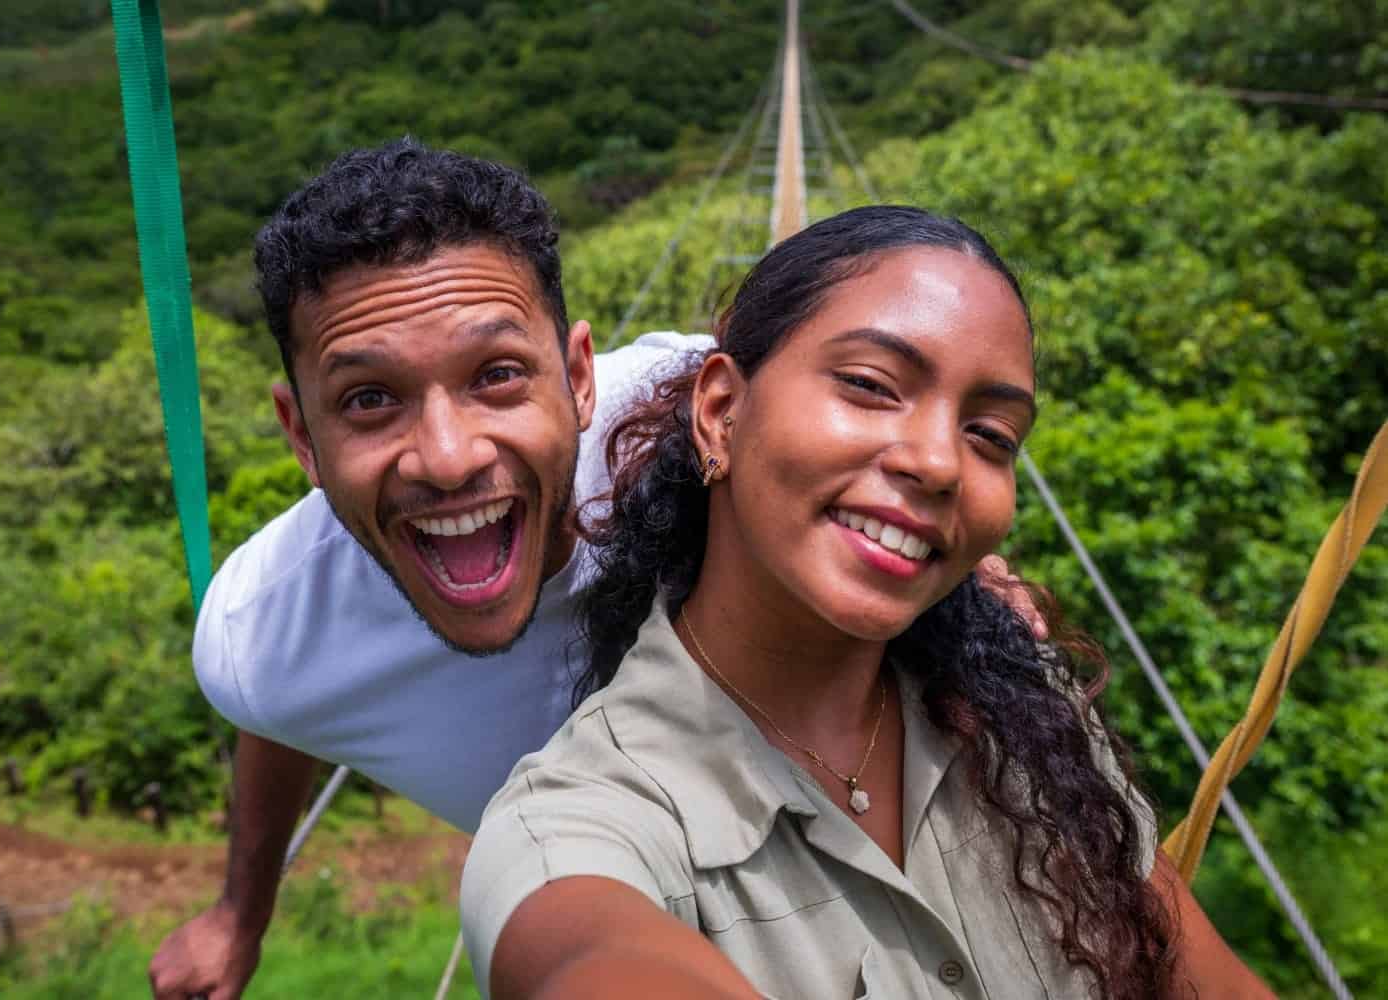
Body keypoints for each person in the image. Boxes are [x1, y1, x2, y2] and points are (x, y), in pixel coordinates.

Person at [147, 142, 1036, 1000]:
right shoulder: (258, 632)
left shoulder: (680, 405)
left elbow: (893, 459)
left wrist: (973, 582)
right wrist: (239, 914)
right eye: (369, 399)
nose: (448, 458)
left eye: (496, 375)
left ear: (579, 377)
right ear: (300, 436)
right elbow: (274, 703)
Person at [460, 206, 1274, 999]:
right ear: (720, 413)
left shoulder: (1028, 715)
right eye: (871, 385)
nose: (940, 463)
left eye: (990, 435)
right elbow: (584, 953)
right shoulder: (579, 827)